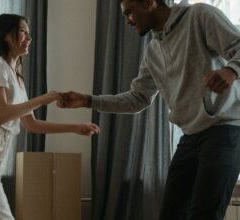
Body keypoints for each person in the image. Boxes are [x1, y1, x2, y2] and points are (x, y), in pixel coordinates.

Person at [58, 0, 240, 219]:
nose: (127, 21)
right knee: (170, 214)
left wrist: (231, 70)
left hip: (225, 130)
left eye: (129, 13)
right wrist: (88, 100)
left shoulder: (200, 16)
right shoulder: (153, 51)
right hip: (191, 136)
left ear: (149, 3)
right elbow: (138, 98)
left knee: (205, 214)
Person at [0, 14, 100, 220]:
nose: (29, 38)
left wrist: (75, 127)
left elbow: (32, 124)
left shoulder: (17, 79)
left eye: (29, 33)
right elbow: (1, 114)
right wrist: (44, 99)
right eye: (23, 31)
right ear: (5, 36)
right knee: (1, 215)